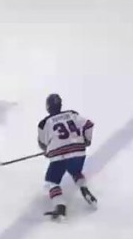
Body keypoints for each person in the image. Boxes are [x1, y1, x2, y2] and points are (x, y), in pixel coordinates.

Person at [37, 93, 98, 221]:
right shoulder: (72, 114)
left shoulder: (44, 123)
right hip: (78, 151)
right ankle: (84, 189)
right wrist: (87, 140)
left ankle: (60, 207)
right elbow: (89, 124)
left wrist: (47, 151)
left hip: (59, 155)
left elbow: (42, 143)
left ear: (48, 107)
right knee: (75, 172)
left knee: (52, 182)